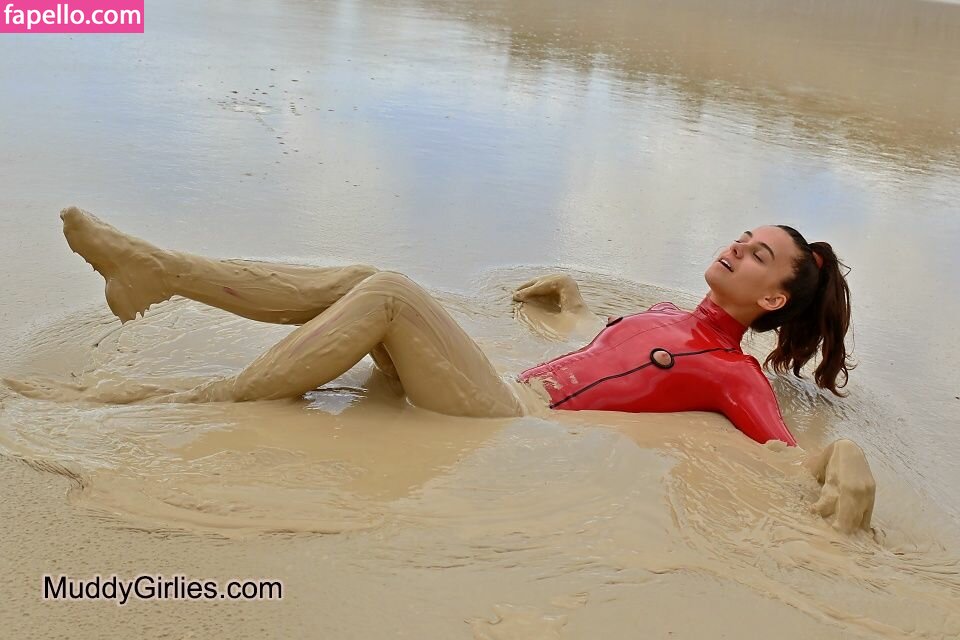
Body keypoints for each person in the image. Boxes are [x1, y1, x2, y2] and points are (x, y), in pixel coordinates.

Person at [26, 207, 879, 533]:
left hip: (505, 416)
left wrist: (841, 459)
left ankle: (206, 397)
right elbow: (599, 349)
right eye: (742, 236)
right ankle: (163, 270)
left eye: (758, 254)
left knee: (390, 291)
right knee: (367, 277)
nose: (736, 246)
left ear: (774, 298)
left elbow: (782, 456)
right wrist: (566, 305)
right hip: (494, 383)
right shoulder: (661, 311)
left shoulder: (732, 373)